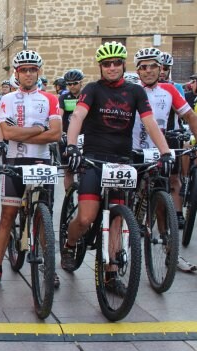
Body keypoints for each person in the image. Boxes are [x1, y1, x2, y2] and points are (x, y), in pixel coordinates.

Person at [61, 41, 173, 295]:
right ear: (100, 67)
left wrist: (165, 151)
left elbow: (149, 122)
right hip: (94, 159)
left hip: (121, 161)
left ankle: (111, 274)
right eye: (106, 64)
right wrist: (71, 145)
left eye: (116, 63)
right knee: (87, 217)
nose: (111, 68)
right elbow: (77, 116)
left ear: (124, 65)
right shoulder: (92, 89)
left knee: (117, 217)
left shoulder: (135, 92)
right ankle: (69, 244)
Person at [0, 49, 62, 291]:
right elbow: (7, 134)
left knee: (44, 217)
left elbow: (56, 134)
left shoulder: (50, 99)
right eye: (23, 70)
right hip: (15, 162)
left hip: (41, 163)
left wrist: (24, 133)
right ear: (17, 74)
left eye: (32, 69)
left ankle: (49, 267)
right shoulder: (7, 100)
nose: (28, 74)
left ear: (38, 72)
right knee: (7, 216)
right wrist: (40, 130)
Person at [131, 47, 197, 272]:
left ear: (161, 69)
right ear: (138, 70)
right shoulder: (130, 90)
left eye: (153, 66)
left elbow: (189, 115)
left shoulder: (169, 90)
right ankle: (116, 250)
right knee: (123, 201)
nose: (148, 71)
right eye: (143, 67)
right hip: (133, 153)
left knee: (161, 201)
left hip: (160, 152)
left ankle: (170, 250)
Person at [59, 69, 85, 190]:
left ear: (81, 83)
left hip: (85, 137)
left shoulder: (86, 96)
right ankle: (68, 201)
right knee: (68, 171)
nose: (72, 86)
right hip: (67, 137)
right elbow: (59, 115)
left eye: (75, 83)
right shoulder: (64, 97)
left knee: (84, 170)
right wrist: (60, 131)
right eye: (69, 84)